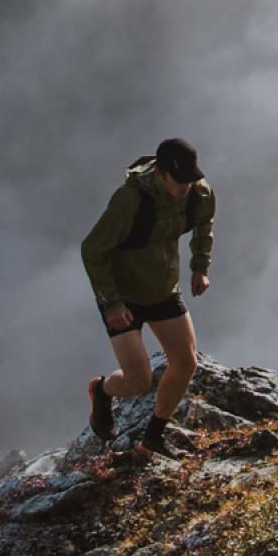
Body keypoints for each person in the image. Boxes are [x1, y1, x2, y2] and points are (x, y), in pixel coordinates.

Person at [81, 137, 216, 452]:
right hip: (122, 296)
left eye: (190, 178)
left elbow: (204, 223)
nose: (185, 186)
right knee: (138, 380)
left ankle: (154, 436)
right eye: (179, 180)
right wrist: (111, 302)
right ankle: (102, 390)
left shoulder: (198, 192)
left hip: (163, 288)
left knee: (185, 363)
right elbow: (92, 249)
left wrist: (200, 268)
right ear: (161, 173)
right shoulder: (129, 201)